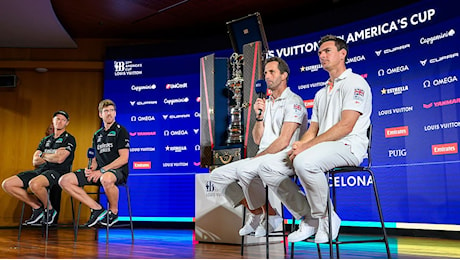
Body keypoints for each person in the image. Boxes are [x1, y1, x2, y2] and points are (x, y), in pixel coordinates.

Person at [259, 35, 372, 243]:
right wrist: (300, 144)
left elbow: (346, 125)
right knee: (267, 167)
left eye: (327, 51)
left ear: (342, 54)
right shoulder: (321, 92)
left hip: (349, 146)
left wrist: (307, 147)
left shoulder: (356, 83)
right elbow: (313, 129)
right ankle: (308, 217)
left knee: (304, 161)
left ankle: (327, 219)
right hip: (323, 147)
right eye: (320, 52)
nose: (322, 55)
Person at [210, 57, 307, 237]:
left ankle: (271, 216)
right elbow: (256, 139)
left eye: (272, 72)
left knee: (246, 170)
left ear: (284, 75)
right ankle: (259, 213)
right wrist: (259, 117)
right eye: (265, 73)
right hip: (263, 156)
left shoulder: (294, 101)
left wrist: (258, 157)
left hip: (285, 156)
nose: (267, 77)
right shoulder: (266, 103)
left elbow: (284, 140)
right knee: (217, 175)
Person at [59, 99, 130, 227]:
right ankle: (97, 209)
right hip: (99, 172)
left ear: (115, 113)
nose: (109, 113)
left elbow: (123, 159)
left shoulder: (121, 131)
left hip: (117, 171)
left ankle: (113, 212)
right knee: (64, 180)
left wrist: (102, 171)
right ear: (100, 114)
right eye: (106, 111)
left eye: (112, 111)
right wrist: (91, 169)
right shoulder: (97, 135)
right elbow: (95, 159)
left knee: (106, 178)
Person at [2, 111, 76, 225]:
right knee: (7, 184)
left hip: (58, 172)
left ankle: (50, 210)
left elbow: (60, 159)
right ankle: (37, 208)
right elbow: (35, 160)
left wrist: (43, 155)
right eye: (57, 119)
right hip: (40, 171)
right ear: (53, 120)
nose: (59, 121)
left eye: (63, 120)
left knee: (34, 184)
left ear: (67, 123)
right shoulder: (45, 140)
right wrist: (53, 154)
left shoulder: (69, 139)